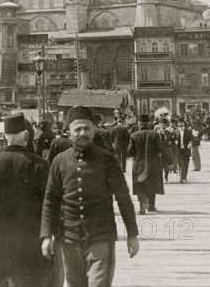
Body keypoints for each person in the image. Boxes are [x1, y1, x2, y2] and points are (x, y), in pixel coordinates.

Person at [40, 106, 139, 287]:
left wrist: (132, 234)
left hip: (101, 236)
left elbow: (124, 198)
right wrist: (46, 235)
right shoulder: (59, 161)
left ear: (93, 131)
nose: (82, 133)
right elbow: (50, 200)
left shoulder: (108, 160)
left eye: (87, 128)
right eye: (77, 129)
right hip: (69, 237)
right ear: (68, 132)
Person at [0, 113, 50, 287]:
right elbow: (49, 206)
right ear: (27, 136)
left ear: (4, 138)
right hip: (31, 244)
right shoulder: (39, 165)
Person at [128, 114, 170, 214]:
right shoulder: (154, 134)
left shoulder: (134, 135)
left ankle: (142, 205)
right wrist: (169, 160)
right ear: (148, 123)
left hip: (138, 164)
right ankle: (151, 206)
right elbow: (162, 148)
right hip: (153, 163)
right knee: (152, 184)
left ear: (139, 124)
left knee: (140, 184)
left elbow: (130, 151)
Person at [175, 117, 192, 184]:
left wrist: (190, 144)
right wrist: (174, 142)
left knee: (186, 163)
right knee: (180, 163)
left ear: (184, 123)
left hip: (186, 150)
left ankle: (184, 176)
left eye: (181, 123)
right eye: (179, 123)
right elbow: (172, 139)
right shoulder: (176, 131)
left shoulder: (188, 131)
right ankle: (182, 177)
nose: (180, 124)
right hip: (179, 150)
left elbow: (192, 139)